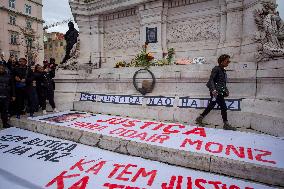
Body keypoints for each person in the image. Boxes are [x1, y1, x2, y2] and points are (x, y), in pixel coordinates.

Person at [195, 54, 236, 131]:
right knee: (223, 107)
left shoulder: (223, 70)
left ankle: (200, 118)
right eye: (227, 61)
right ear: (222, 61)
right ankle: (226, 124)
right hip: (216, 92)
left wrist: (226, 90)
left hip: (219, 92)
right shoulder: (216, 69)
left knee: (212, 105)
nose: (228, 63)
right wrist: (213, 90)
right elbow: (211, 80)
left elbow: (222, 83)